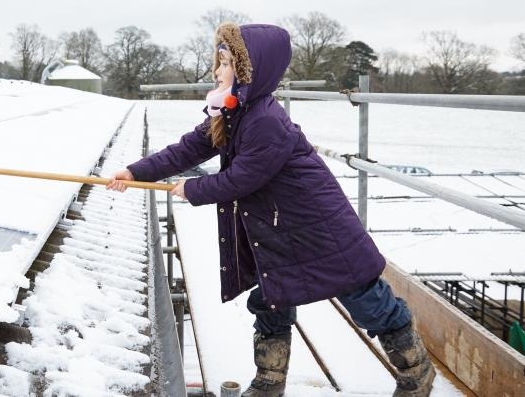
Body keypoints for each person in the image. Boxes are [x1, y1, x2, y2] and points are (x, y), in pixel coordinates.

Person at [107, 23, 435, 397]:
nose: (217, 71)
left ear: (249, 71)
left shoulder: (265, 121)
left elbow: (242, 179)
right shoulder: (233, 111)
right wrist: (135, 171)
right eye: (219, 61)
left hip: (320, 229)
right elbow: (189, 149)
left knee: (366, 301)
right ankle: (269, 381)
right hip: (280, 230)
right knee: (270, 297)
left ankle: (416, 373)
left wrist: (192, 188)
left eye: (226, 62)